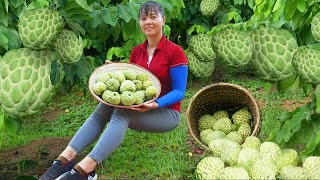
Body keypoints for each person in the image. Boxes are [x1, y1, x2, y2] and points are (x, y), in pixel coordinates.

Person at [39, 1, 188, 179]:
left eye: (153, 17)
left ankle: (86, 169)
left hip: (166, 113)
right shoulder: (137, 52)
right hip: (140, 106)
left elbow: (179, 92)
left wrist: (155, 104)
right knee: (102, 109)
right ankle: (65, 159)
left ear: (163, 20)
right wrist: (117, 69)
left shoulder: (175, 52)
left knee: (123, 113)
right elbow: (133, 81)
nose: (148, 21)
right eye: (143, 18)